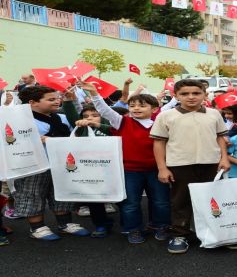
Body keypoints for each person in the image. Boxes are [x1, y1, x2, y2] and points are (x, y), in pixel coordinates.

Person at [82, 82, 171, 245]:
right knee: (130, 203)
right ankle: (133, 229)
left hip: (156, 169)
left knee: (161, 201)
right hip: (130, 170)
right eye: (132, 105)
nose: (136, 108)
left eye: (142, 106)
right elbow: (104, 110)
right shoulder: (122, 122)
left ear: (154, 109)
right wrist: (95, 94)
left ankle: (161, 226)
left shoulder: (160, 124)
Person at [151, 79, 230, 254]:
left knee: (212, 200)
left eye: (196, 93)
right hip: (180, 164)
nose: (191, 97)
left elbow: (220, 137)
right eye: (185, 94)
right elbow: (159, 143)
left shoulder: (214, 114)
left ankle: (215, 232)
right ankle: (180, 234)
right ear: (176, 96)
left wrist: (224, 158)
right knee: (181, 200)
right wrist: (162, 168)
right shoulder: (166, 116)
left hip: (211, 164)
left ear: (204, 94)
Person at [13, 86, 90, 240]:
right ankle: (37, 227)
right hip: (33, 165)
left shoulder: (61, 117)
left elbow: (75, 136)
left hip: (60, 163)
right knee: (32, 194)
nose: (57, 101)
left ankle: (65, 224)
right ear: (32, 102)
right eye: (51, 99)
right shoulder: (20, 121)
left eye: (57, 98)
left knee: (61, 193)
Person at [61, 89, 114, 238]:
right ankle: (101, 224)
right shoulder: (82, 129)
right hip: (91, 170)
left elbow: (112, 131)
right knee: (94, 200)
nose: (89, 118)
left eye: (94, 115)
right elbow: (72, 113)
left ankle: (130, 224)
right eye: (86, 116)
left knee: (123, 199)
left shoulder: (110, 127)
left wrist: (96, 125)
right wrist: (67, 101)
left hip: (112, 169)